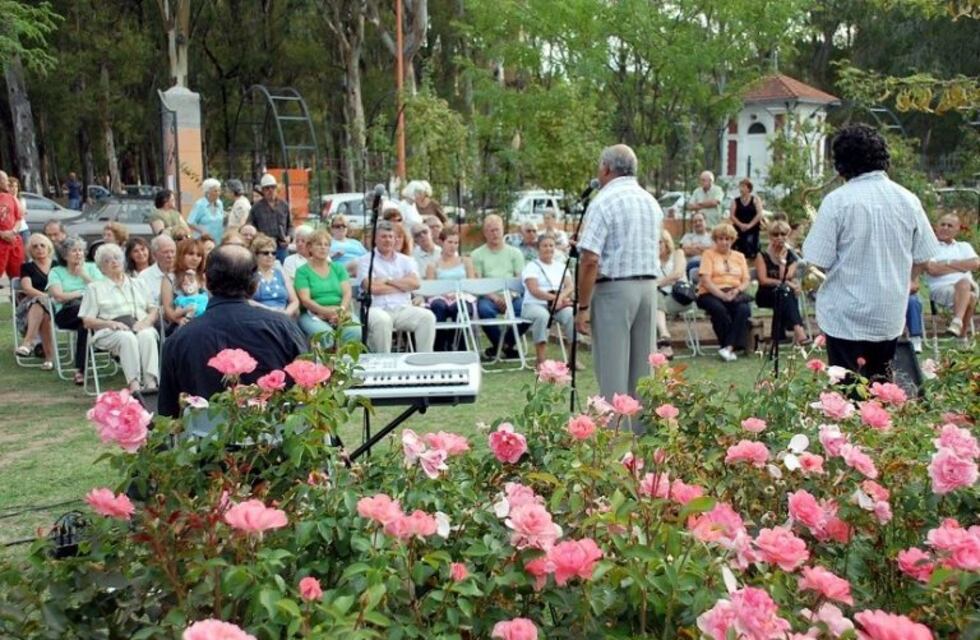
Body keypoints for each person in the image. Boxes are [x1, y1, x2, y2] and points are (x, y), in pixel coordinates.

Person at [802, 124, 939, 381]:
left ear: (841, 164)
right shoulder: (908, 199)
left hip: (845, 315)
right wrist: (910, 279)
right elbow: (924, 255)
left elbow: (817, 259)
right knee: (882, 392)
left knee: (847, 399)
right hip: (888, 313)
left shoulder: (837, 201)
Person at [158, 245, 309, 418]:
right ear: (255, 283)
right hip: (278, 437)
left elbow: (168, 415)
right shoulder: (283, 327)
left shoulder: (179, 340)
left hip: (206, 440)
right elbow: (310, 391)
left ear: (206, 281)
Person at [575, 144, 662, 406]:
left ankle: (614, 438)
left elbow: (590, 259)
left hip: (614, 290)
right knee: (643, 373)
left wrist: (583, 306)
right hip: (648, 288)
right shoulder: (650, 201)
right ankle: (642, 438)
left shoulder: (604, 201)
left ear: (606, 168)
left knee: (613, 371)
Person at [79, 243, 160, 393]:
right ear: (101, 267)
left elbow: (153, 309)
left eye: (116, 258)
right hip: (110, 330)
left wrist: (146, 322)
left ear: (123, 261)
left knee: (147, 335)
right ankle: (134, 384)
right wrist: (110, 323)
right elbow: (87, 321)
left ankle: (151, 383)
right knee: (126, 337)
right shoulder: (95, 288)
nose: (114, 262)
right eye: (107, 260)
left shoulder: (139, 283)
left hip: (138, 324)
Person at [356, 220, 436, 353]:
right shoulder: (366, 260)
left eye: (390, 237)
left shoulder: (406, 260)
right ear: (375, 239)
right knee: (383, 320)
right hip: (376, 309)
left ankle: (424, 360)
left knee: (427, 317)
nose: (387, 240)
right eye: (383, 237)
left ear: (394, 239)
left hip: (403, 309)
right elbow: (371, 288)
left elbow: (415, 284)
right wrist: (403, 285)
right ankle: (384, 363)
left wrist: (388, 280)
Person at [47, 236, 104, 385]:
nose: (79, 254)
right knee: (86, 315)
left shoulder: (91, 267)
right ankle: (112, 351)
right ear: (65, 255)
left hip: (89, 313)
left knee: (85, 325)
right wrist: (82, 293)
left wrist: (83, 275)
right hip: (67, 312)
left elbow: (103, 290)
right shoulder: (56, 271)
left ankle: (80, 370)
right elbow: (59, 296)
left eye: (80, 250)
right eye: (74, 251)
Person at [471, 213, 526, 360]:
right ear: (485, 233)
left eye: (497, 229)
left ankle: (503, 345)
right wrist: (495, 298)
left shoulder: (515, 253)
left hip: (513, 295)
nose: (495, 233)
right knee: (483, 310)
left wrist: (510, 296)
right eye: (491, 230)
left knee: (528, 309)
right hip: (488, 296)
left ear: (503, 230)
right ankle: (504, 346)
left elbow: (520, 279)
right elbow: (478, 281)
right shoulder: (477, 254)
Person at [695, 223, 752, 362]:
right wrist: (722, 295)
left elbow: (746, 280)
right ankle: (729, 346)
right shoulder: (708, 254)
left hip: (734, 291)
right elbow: (705, 280)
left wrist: (736, 290)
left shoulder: (740, 256)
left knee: (744, 309)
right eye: (720, 238)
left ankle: (728, 347)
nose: (724, 242)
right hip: (710, 292)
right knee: (718, 309)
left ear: (733, 240)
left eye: (728, 239)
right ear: (715, 240)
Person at [294, 229, 361, 347]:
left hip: (340, 310)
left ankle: (346, 364)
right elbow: (305, 300)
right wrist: (326, 312)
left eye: (326, 245)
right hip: (312, 314)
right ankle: (325, 365)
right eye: (319, 244)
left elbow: (347, 293)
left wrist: (340, 311)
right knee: (326, 335)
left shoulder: (338, 268)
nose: (323, 248)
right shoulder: (302, 272)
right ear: (309, 247)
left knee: (353, 330)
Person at [521, 233, 574, 366]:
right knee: (542, 316)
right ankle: (541, 360)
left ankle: (572, 358)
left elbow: (570, 286)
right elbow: (534, 290)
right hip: (534, 304)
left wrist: (560, 298)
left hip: (558, 304)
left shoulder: (561, 266)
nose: (548, 248)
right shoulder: (531, 266)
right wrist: (555, 298)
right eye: (544, 246)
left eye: (551, 245)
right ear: (538, 248)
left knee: (570, 315)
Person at [923, 213, 978, 341]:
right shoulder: (929, 247)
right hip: (941, 289)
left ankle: (957, 324)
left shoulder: (964, 246)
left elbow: (975, 264)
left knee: (964, 284)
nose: (945, 228)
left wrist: (946, 263)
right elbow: (932, 269)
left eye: (950, 226)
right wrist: (961, 265)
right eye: (943, 224)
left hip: (965, 287)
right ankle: (962, 335)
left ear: (957, 230)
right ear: (936, 227)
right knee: (970, 293)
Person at [755, 220, 808, 346]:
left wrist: (782, 262)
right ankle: (798, 330)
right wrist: (788, 284)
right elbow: (763, 280)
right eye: (775, 234)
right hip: (765, 294)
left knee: (784, 293)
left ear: (788, 236)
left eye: (783, 234)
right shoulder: (762, 255)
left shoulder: (792, 256)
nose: (779, 237)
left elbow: (786, 276)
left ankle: (778, 337)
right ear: (770, 236)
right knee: (786, 291)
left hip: (783, 294)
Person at [425, 226, 476, 351]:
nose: (453, 246)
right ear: (442, 242)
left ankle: (459, 347)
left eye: (456, 243)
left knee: (460, 308)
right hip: (440, 296)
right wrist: (444, 293)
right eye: (450, 242)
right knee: (438, 306)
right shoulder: (433, 265)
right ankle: (439, 347)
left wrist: (458, 293)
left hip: (461, 295)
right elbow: (430, 288)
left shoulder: (466, 262)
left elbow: (472, 284)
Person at [15, 233, 56, 369]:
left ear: (48, 247)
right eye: (35, 246)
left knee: (42, 307)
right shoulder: (26, 267)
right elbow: (27, 289)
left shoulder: (57, 266)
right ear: (30, 250)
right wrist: (45, 297)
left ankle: (28, 343)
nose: (39, 249)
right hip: (31, 306)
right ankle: (49, 359)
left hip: (56, 304)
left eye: (42, 245)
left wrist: (50, 298)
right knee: (41, 307)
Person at [653, 230, 692, 359]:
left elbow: (677, 274)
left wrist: (657, 284)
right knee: (654, 298)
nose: (656, 246)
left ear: (667, 242)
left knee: (652, 304)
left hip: (679, 297)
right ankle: (665, 342)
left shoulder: (678, 254)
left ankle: (662, 343)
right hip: (660, 299)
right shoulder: (652, 261)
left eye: (659, 242)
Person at [161, 238, 207, 329]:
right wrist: (179, 320)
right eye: (191, 254)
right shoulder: (170, 278)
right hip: (179, 324)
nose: (195, 258)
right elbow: (168, 309)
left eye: (199, 255)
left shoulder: (204, 277)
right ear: (181, 255)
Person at [247, 173, 292, 262]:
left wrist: (289, 237)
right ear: (262, 191)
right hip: (264, 249)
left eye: (273, 187)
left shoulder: (284, 205)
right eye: (267, 188)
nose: (270, 190)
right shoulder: (256, 208)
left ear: (276, 188)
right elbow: (250, 226)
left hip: (281, 248)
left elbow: (290, 225)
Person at [251, 234, 299, 317]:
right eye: (265, 253)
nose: (270, 256)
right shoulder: (250, 274)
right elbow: (246, 300)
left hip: (283, 316)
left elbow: (294, 301)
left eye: (273, 253)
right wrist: (270, 310)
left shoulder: (280, 273)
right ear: (256, 254)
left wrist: (286, 313)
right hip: (259, 316)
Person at [137, 234, 176, 306]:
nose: (170, 256)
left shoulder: (182, 273)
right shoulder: (144, 277)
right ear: (154, 255)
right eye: (165, 252)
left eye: (172, 252)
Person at [729, 178, 764, 259]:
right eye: (740, 186)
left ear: (749, 188)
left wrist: (749, 225)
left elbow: (759, 214)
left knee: (752, 246)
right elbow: (732, 215)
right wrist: (741, 225)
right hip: (739, 228)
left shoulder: (755, 199)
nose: (741, 189)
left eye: (743, 187)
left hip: (753, 228)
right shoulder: (735, 201)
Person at [0, 170, 25, 280]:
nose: (8, 183)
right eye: (5, 180)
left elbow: (19, 219)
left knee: (18, 275)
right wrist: (1, 234)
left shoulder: (10, 198)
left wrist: (13, 231)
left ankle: (18, 297)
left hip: (13, 241)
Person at [189, 179, 225, 243]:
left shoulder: (220, 203)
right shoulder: (200, 204)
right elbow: (190, 222)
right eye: (215, 191)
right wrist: (202, 231)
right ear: (207, 192)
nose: (218, 193)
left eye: (219, 191)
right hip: (203, 240)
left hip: (217, 240)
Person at [680, 211, 714, 280]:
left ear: (705, 221)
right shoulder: (687, 236)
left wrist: (696, 246)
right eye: (695, 221)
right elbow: (686, 251)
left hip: (710, 265)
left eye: (700, 220)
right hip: (692, 265)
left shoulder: (712, 237)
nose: (697, 223)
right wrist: (706, 249)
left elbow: (714, 251)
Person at [8, 177, 29, 247]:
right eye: (11, 186)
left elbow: (21, 213)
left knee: (27, 252)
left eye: (16, 186)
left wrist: (14, 198)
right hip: (10, 232)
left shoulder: (21, 200)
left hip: (23, 230)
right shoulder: (4, 200)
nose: (14, 189)